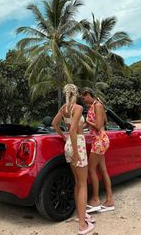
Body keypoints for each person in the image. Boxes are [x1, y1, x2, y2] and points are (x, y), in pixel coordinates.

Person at [52, 84, 95, 235]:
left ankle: (80, 215)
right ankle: (82, 225)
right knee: (83, 184)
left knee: (78, 182)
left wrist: (63, 137)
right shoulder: (77, 108)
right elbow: (73, 130)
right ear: (75, 94)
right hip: (77, 144)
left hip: (69, 144)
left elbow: (54, 124)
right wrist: (76, 152)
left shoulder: (63, 109)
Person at [80, 87, 114, 213]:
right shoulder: (93, 105)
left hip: (99, 139)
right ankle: (109, 201)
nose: (83, 100)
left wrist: (88, 121)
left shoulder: (98, 105)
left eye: (83, 97)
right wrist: (77, 127)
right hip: (98, 140)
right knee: (103, 170)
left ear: (88, 94)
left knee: (91, 169)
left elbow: (99, 125)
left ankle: (95, 200)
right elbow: (96, 122)